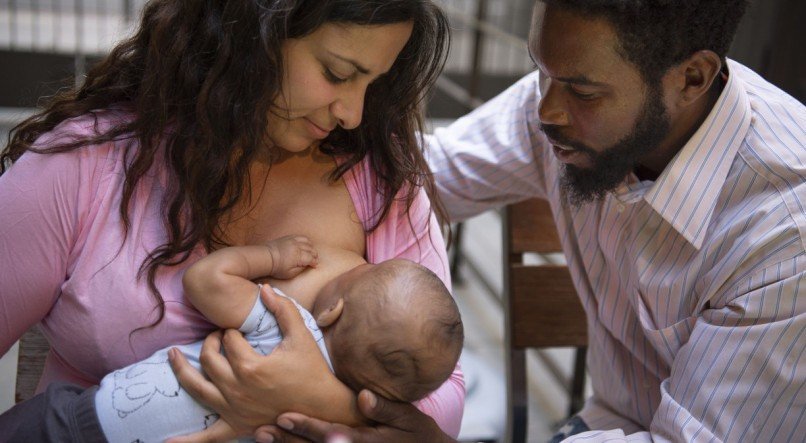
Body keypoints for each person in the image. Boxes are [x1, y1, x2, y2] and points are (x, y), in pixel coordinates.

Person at [268, 0, 805, 442]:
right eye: (539, 70)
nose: (545, 110)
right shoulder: (563, 104)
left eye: (582, 91)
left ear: (692, 78)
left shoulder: (785, 236)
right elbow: (418, 180)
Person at [0, 0, 465, 441]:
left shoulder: (381, 182)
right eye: (338, 73)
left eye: (373, 83)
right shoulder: (84, 167)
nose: (353, 113)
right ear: (251, 37)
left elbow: (445, 394)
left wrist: (316, 399)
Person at [0, 235, 464, 442]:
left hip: (83, 423)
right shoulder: (319, 418)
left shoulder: (290, 325)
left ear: (332, 308)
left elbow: (205, 281)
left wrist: (271, 254)